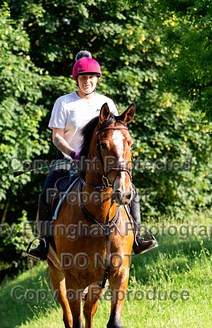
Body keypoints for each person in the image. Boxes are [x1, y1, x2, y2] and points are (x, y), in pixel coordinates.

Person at [27, 51, 158, 260]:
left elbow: (117, 134)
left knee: (131, 189)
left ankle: (138, 237)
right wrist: (73, 153)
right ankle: (43, 243)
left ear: (97, 79)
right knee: (48, 188)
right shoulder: (64, 103)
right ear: (76, 80)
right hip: (70, 160)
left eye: (91, 78)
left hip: (104, 165)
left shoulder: (107, 103)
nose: (87, 81)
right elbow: (56, 137)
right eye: (82, 78)